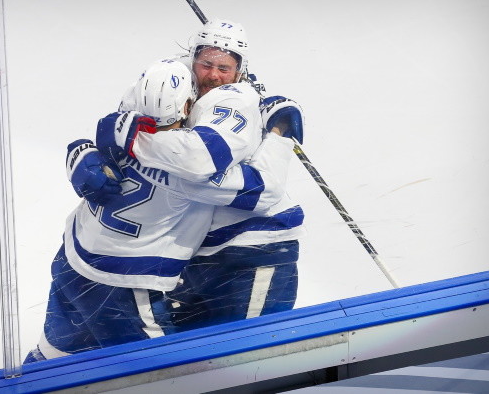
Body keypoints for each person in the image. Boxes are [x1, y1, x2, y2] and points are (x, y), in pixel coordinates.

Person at [24, 59, 296, 362]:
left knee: (50, 359)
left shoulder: (123, 131)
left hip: (70, 261)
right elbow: (262, 190)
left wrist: (80, 150)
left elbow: (109, 136)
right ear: (186, 106)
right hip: (122, 285)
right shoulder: (186, 168)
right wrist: (278, 132)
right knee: (166, 375)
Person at [94, 19, 307, 332]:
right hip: (199, 251)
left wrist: (279, 135)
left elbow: (203, 163)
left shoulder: (235, 100)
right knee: (198, 352)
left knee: (247, 353)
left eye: (225, 68)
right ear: (192, 58)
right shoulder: (173, 81)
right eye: (206, 64)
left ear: (240, 70)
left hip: (257, 247)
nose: (214, 75)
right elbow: (128, 111)